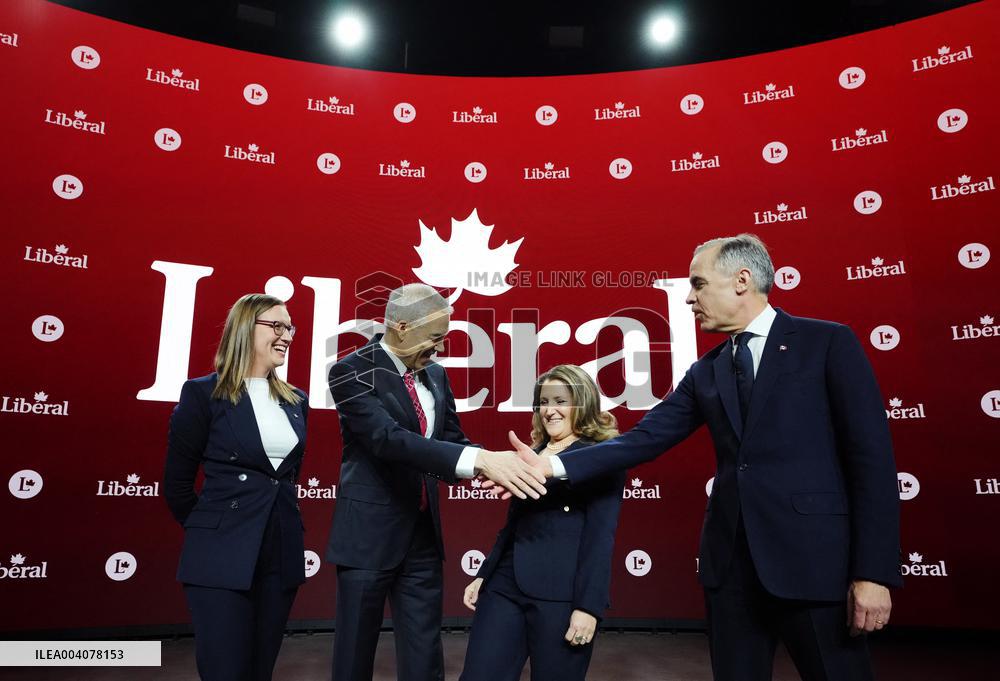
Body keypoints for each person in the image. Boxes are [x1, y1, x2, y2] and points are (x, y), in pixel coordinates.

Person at [512, 235, 901, 681]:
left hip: (815, 568)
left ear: (742, 280)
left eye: (698, 284)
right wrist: (555, 464)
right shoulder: (707, 370)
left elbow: (872, 464)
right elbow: (645, 439)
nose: (689, 298)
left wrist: (873, 573)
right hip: (730, 574)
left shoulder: (827, 343)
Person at [325, 283, 546, 681]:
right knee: (354, 653)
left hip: (423, 537)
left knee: (425, 652)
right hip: (367, 538)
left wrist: (499, 465)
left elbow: (450, 442)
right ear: (402, 326)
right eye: (436, 338)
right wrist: (480, 460)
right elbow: (386, 439)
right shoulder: (350, 371)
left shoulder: (437, 376)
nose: (440, 349)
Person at [164, 293, 308, 681]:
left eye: (289, 327)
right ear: (246, 328)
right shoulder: (203, 394)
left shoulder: (296, 400)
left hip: (280, 555)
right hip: (221, 556)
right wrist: (213, 533)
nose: (287, 335)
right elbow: (176, 486)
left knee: (260, 672)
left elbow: (285, 480)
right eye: (276, 325)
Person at [459, 365, 625, 681]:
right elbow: (513, 525)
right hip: (505, 587)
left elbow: (600, 538)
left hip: (562, 598)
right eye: (543, 401)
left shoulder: (604, 457)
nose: (549, 411)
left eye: (560, 401)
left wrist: (589, 608)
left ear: (583, 402)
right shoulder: (530, 453)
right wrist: (485, 574)